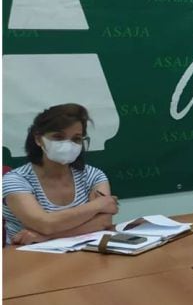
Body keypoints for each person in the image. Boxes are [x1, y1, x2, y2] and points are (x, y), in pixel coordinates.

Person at [2, 103, 117, 245]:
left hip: (83, 255)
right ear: (38, 139)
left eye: (76, 139)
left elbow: (103, 222)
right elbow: (45, 224)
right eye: (58, 137)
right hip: (27, 259)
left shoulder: (94, 175)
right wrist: (98, 205)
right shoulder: (15, 180)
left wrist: (47, 237)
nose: (68, 144)